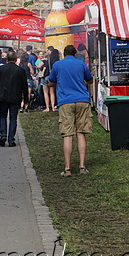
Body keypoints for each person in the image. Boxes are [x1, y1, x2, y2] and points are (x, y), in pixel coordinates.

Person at [49, 44, 94, 177]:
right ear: (75, 54)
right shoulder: (81, 64)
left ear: (64, 54)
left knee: (67, 134)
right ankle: (82, 166)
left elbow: (51, 82)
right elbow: (90, 80)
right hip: (82, 100)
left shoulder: (57, 65)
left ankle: (67, 168)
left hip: (65, 101)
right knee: (81, 133)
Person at [0, 51, 29, 148]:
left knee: (2, 116)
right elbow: (25, 86)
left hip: (2, 96)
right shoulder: (20, 71)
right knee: (13, 119)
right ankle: (11, 139)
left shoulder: (0, 69)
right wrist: (26, 100)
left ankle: (3, 135)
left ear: (6, 59)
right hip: (15, 97)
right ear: (16, 59)